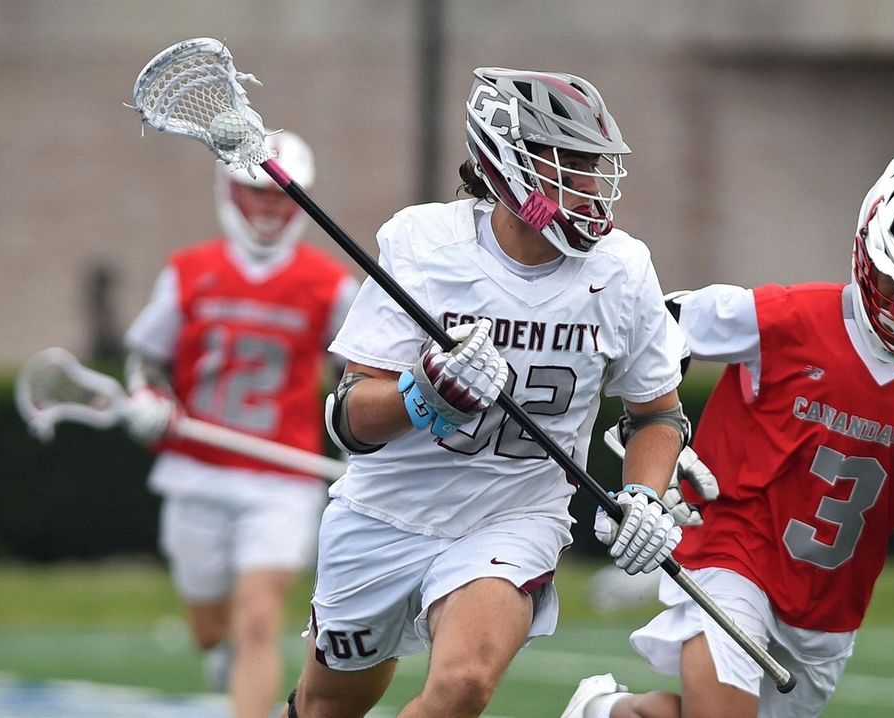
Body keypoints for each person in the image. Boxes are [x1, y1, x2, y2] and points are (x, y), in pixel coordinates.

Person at [279, 67, 690, 718]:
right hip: (385, 514)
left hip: (513, 517)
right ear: (509, 164)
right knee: (329, 703)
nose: (591, 187)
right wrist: (425, 394)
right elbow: (350, 419)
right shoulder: (424, 244)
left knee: (463, 685)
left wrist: (644, 492)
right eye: (571, 164)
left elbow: (658, 413)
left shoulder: (622, 270)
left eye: (596, 164)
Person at [564, 154, 894, 718]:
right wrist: (656, 437)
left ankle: (604, 712)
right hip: (729, 550)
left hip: (828, 604)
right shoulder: (787, 318)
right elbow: (657, 323)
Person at [121, 130, 359, 718]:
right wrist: (148, 397)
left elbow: (361, 374)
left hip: (284, 474)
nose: (270, 207)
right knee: (210, 626)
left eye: (282, 195)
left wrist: (362, 445)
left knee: (258, 617)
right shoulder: (188, 271)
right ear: (229, 190)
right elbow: (146, 359)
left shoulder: (330, 285)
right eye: (257, 192)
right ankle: (219, 654)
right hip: (197, 471)